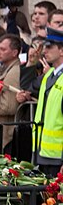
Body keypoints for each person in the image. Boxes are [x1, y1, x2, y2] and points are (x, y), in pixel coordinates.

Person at [30, 26, 63, 176]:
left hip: (58, 157)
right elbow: (32, 87)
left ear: (61, 50)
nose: (44, 51)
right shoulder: (50, 75)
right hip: (42, 152)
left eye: (49, 47)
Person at [0, 34, 22, 151]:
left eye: (3, 49)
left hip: (7, 132)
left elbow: (8, 107)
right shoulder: (8, 69)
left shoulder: (13, 73)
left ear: (14, 52)